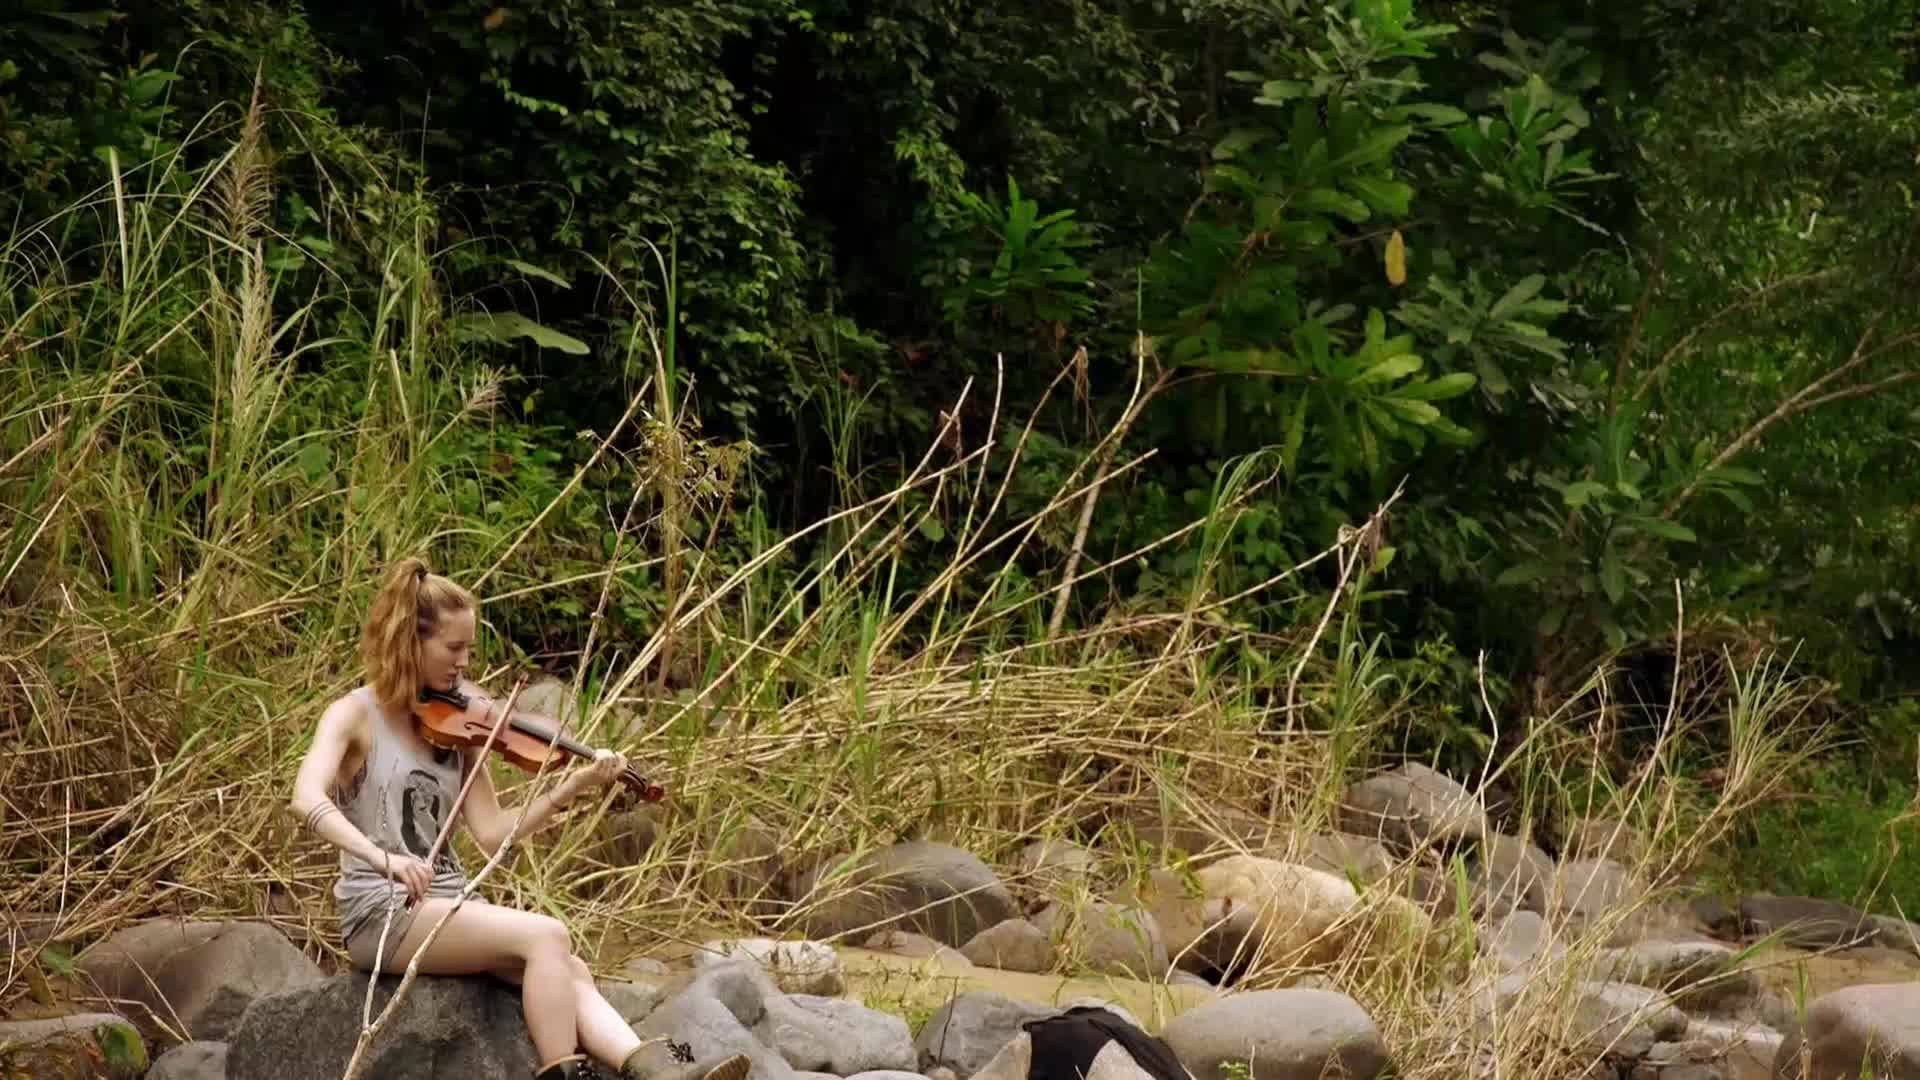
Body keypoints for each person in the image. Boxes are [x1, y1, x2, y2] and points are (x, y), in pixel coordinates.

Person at [288, 557, 751, 1080]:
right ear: (408, 642)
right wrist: (383, 858)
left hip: (447, 903)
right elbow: (305, 797)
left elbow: (490, 833)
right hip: (382, 911)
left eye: (470, 650)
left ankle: (656, 1068)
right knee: (547, 935)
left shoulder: (454, 726)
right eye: (453, 648)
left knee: (568, 968)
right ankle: (562, 1073)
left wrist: (571, 787)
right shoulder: (353, 715)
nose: (465, 665)